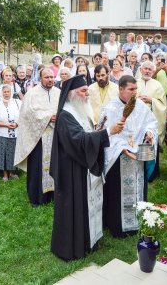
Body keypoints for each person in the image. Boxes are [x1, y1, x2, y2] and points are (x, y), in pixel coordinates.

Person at [50, 75, 124, 261]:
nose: (86, 94)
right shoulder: (66, 116)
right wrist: (107, 132)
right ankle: (73, 246)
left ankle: (88, 240)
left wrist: (99, 131)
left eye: (87, 91)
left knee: (85, 205)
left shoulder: (79, 110)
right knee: (74, 206)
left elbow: (86, 135)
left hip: (81, 166)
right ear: (71, 94)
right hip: (71, 170)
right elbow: (79, 140)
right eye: (83, 91)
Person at [99, 75, 158, 237]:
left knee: (138, 189)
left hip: (137, 156)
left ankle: (136, 223)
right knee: (117, 192)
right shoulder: (110, 108)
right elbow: (105, 133)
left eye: (135, 89)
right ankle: (117, 226)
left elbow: (151, 123)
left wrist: (149, 133)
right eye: (131, 89)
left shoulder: (141, 106)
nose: (134, 93)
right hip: (118, 158)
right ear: (121, 89)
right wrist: (123, 149)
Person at [14, 68, 60, 206]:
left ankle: (54, 195)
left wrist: (59, 117)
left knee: (56, 164)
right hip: (38, 137)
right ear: (40, 78)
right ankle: (38, 197)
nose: (50, 80)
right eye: (47, 77)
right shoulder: (31, 94)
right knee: (37, 167)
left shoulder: (59, 93)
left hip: (56, 136)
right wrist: (48, 117)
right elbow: (27, 113)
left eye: (52, 77)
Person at [136, 61, 167, 181]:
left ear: (153, 72)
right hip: (137, 119)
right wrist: (137, 100)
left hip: (151, 119)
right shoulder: (135, 83)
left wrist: (151, 100)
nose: (147, 71)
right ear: (141, 70)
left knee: (150, 142)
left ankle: (152, 173)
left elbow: (162, 104)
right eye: (145, 69)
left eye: (150, 69)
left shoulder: (157, 85)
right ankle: (138, 169)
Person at [0, 84, 21, 181]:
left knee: (12, 153)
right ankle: (5, 174)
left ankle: (12, 173)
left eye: (8, 91)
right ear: (1, 93)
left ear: (11, 92)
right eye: (4, 92)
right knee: (2, 153)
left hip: (15, 133)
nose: (6, 93)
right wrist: (6, 125)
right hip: (2, 133)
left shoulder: (17, 102)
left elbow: (23, 116)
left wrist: (17, 124)